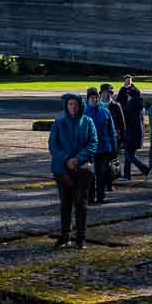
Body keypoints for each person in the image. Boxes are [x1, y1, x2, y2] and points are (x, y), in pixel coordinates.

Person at [49, 93, 98, 249]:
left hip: (82, 169)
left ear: (80, 105)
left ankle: (81, 237)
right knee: (65, 203)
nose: (73, 107)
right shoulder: (59, 122)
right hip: (62, 169)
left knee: (81, 204)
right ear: (66, 106)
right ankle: (65, 235)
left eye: (75, 104)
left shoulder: (88, 122)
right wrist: (66, 159)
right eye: (70, 104)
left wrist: (78, 159)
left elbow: (93, 143)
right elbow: (53, 145)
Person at [82, 88, 117, 205]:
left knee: (101, 174)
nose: (95, 99)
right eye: (92, 97)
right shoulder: (84, 113)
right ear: (87, 99)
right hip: (89, 149)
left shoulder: (105, 112)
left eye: (96, 97)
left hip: (104, 148)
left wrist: (114, 147)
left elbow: (112, 131)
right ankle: (90, 197)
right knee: (90, 175)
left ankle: (101, 196)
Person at [120, 85, 147, 181]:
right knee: (129, 155)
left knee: (129, 155)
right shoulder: (140, 105)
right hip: (138, 134)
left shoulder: (130, 105)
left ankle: (146, 169)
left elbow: (124, 120)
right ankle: (127, 174)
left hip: (131, 134)